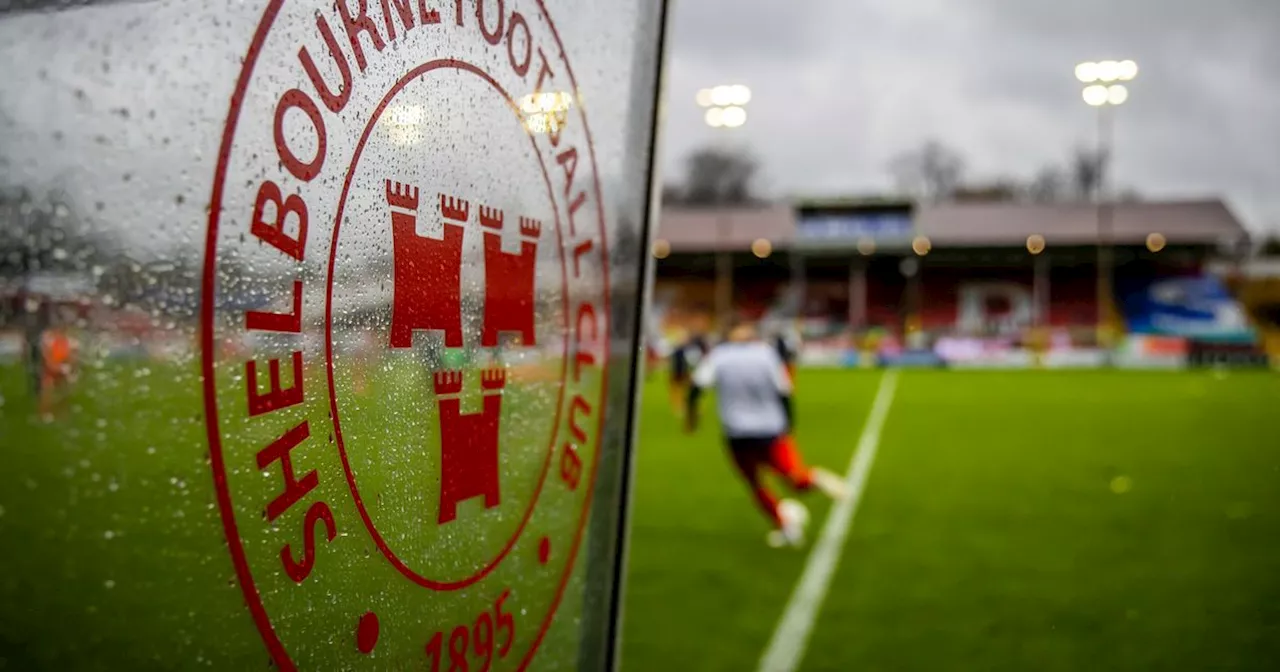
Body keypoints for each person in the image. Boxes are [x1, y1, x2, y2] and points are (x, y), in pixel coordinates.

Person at [685, 318, 845, 548]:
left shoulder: (719, 355)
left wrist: (692, 418)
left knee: (756, 484)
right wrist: (789, 423)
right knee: (789, 477)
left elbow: (696, 387)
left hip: (738, 431)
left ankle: (786, 522)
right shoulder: (766, 354)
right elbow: (785, 391)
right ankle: (811, 484)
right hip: (770, 429)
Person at [667, 332, 707, 418]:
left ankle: (695, 409)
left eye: (684, 339)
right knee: (677, 392)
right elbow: (672, 362)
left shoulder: (690, 350)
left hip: (686, 373)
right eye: (681, 339)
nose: (683, 340)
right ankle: (679, 408)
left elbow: (694, 362)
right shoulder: (677, 350)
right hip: (677, 373)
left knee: (692, 392)